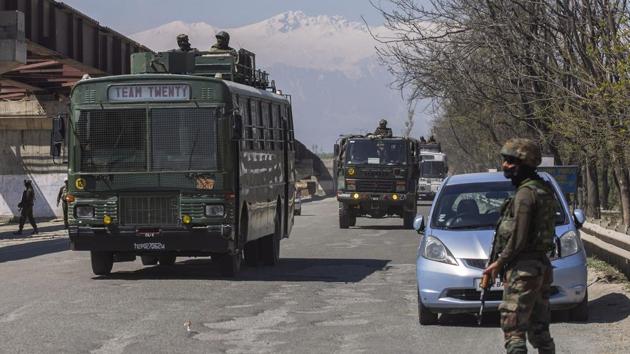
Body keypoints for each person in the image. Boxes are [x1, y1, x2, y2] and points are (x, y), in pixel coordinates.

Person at [483, 138, 556, 354]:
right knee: (540, 330)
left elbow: (518, 238)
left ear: (525, 164)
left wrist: (499, 263)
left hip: (523, 270)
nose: (505, 166)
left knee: (513, 328)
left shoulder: (525, 194)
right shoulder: (542, 189)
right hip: (540, 267)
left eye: (511, 162)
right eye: (504, 161)